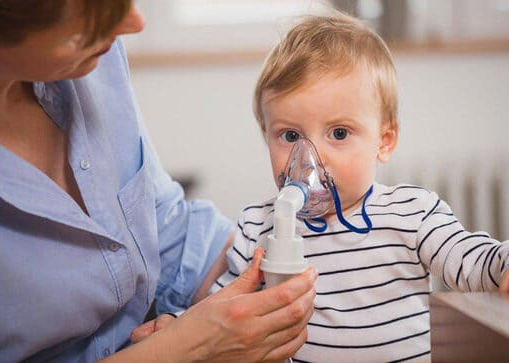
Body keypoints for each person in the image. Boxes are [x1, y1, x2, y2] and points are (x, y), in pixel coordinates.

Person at [0, 1, 316, 362]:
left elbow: (167, 230)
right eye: (92, 18)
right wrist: (185, 347)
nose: (134, 24)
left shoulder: (96, 62)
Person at [210, 11, 509, 362]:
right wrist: (177, 326)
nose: (309, 159)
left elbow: (474, 263)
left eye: (338, 133)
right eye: (290, 136)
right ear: (267, 136)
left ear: (384, 141)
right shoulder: (258, 227)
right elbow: (221, 315)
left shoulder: (411, 215)